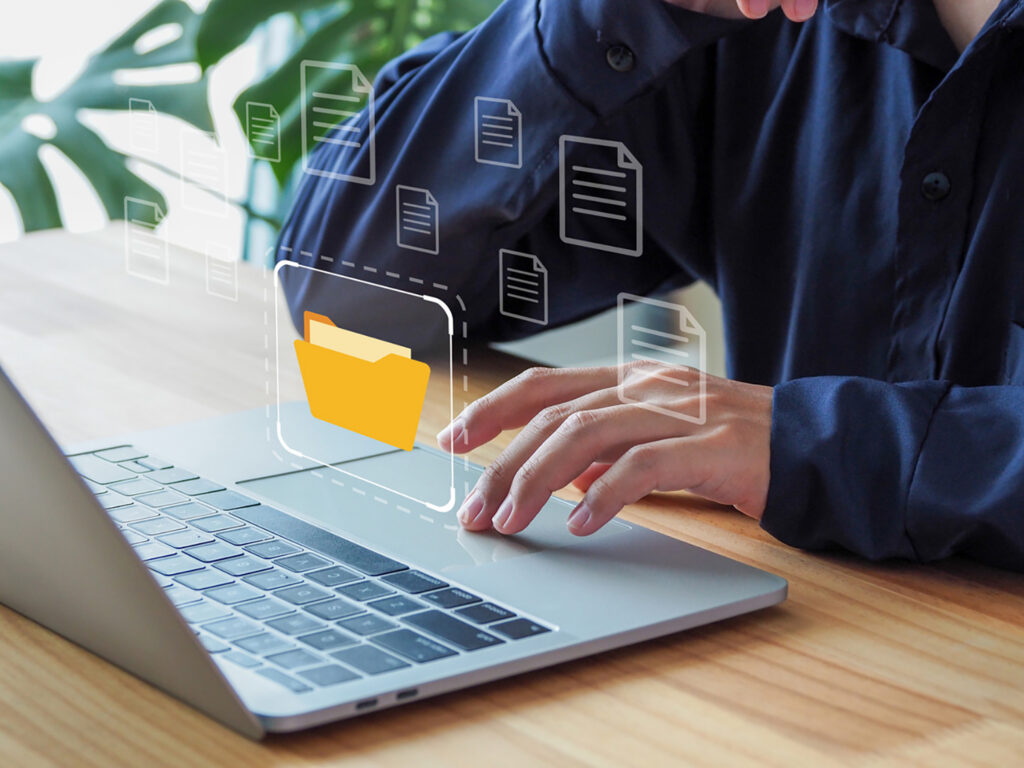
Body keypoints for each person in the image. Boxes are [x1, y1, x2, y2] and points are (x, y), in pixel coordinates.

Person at [277, 0, 1024, 571]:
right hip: (793, 650)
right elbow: (345, 296)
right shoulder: (771, 27)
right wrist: (605, 13)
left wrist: (825, 446)